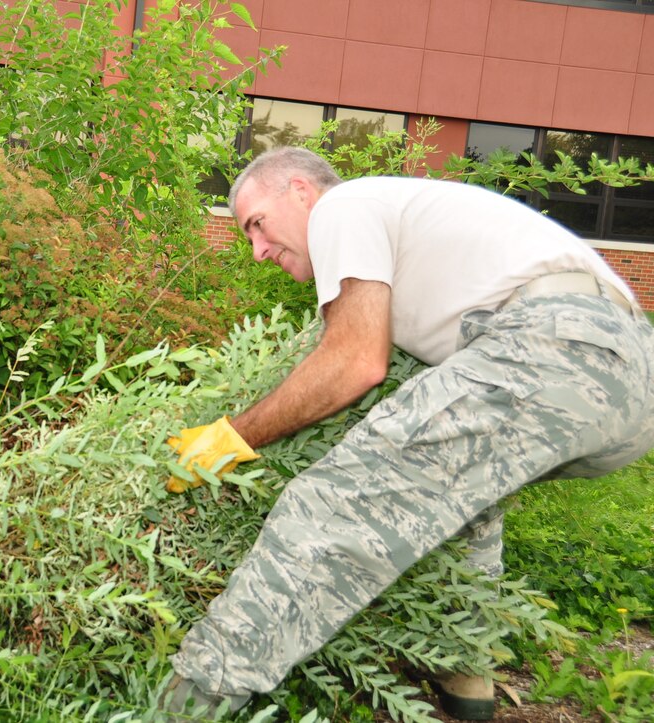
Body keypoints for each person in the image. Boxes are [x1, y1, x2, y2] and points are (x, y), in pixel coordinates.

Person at [161, 147, 654, 720]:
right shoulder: (411, 233)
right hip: (629, 379)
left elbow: (352, 362)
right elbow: (353, 369)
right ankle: (465, 675)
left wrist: (229, 438)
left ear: (299, 190)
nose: (257, 250)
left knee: (333, 505)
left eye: (256, 225)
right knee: (465, 501)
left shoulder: (343, 206)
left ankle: (191, 701)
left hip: (556, 343)